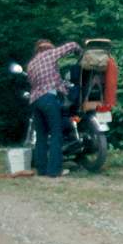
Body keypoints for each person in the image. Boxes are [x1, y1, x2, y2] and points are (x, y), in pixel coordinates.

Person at [27, 39, 81, 177]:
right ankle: (54, 171)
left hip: (35, 101)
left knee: (41, 136)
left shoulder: (31, 64)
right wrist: (79, 53)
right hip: (48, 99)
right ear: (48, 48)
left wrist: (61, 87)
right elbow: (72, 45)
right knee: (57, 134)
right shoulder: (50, 54)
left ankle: (42, 170)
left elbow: (51, 81)